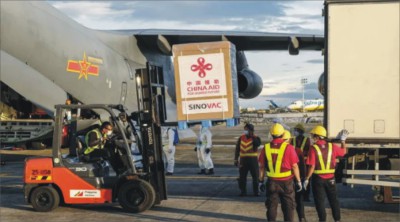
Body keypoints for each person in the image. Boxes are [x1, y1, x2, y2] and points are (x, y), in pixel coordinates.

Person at [258, 123, 302, 222]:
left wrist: (260, 181)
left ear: (271, 134)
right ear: (283, 134)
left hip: (272, 182)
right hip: (287, 183)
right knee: (288, 208)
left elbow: (261, 167)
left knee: (271, 207)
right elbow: (295, 166)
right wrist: (299, 181)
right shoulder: (289, 147)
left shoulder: (266, 147)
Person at [304, 126, 348, 222]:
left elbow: (311, 166)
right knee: (334, 201)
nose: (312, 137)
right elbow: (343, 152)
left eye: (313, 135)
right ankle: (337, 220)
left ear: (318, 136)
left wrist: (307, 178)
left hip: (318, 179)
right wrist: (343, 141)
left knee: (320, 202)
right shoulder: (332, 146)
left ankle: (322, 220)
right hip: (331, 179)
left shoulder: (313, 148)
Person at [234, 123, 261, 196]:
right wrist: (236, 159)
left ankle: (256, 192)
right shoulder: (241, 138)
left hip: (253, 161)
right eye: (244, 129)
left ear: (251, 130)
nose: (245, 131)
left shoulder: (256, 138)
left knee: (255, 177)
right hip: (243, 160)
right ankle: (243, 192)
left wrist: (252, 136)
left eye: (246, 130)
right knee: (242, 177)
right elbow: (237, 149)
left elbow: (257, 144)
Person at [291, 123, 311, 201]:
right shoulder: (293, 139)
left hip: (304, 162)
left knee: (305, 179)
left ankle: (306, 196)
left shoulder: (307, 140)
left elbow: (308, 150)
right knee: (296, 179)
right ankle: (297, 195)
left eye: (296, 130)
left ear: (300, 131)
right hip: (296, 162)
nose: (295, 132)